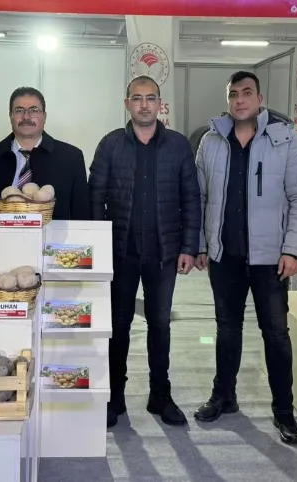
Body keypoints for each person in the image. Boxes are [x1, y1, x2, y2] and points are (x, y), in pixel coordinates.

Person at [192, 71, 297, 445]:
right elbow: (199, 199)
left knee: (276, 334)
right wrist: (201, 244)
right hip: (225, 257)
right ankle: (224, 396)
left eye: (247, 93)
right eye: (234, 94)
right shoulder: (211, 142)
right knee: (227, 329)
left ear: (260, 99)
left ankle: (284, 412)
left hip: (270, 259)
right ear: (228, 100)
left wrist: (293, 250)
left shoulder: (287, 140)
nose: (240, 100)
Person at [88, 76, 201, 428]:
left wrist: (189, 246)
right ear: (127, 104)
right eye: (137, 98)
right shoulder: (110, 145)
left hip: (164, 253)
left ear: (159, 104)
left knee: (160, 325)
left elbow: (191, 199)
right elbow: (95, 197)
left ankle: (160, 395)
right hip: (121, 252)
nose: (144, 105)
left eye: (150, 98)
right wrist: (99, 247)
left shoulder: (178, 146)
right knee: (118, 325)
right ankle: (114, 396)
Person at [0, 87, 90, 220]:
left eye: (34, 110)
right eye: (19, 110)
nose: (26, 117)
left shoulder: (71, 158)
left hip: (52, 233)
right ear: (10, 116)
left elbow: (82, 214)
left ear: (44, 116)